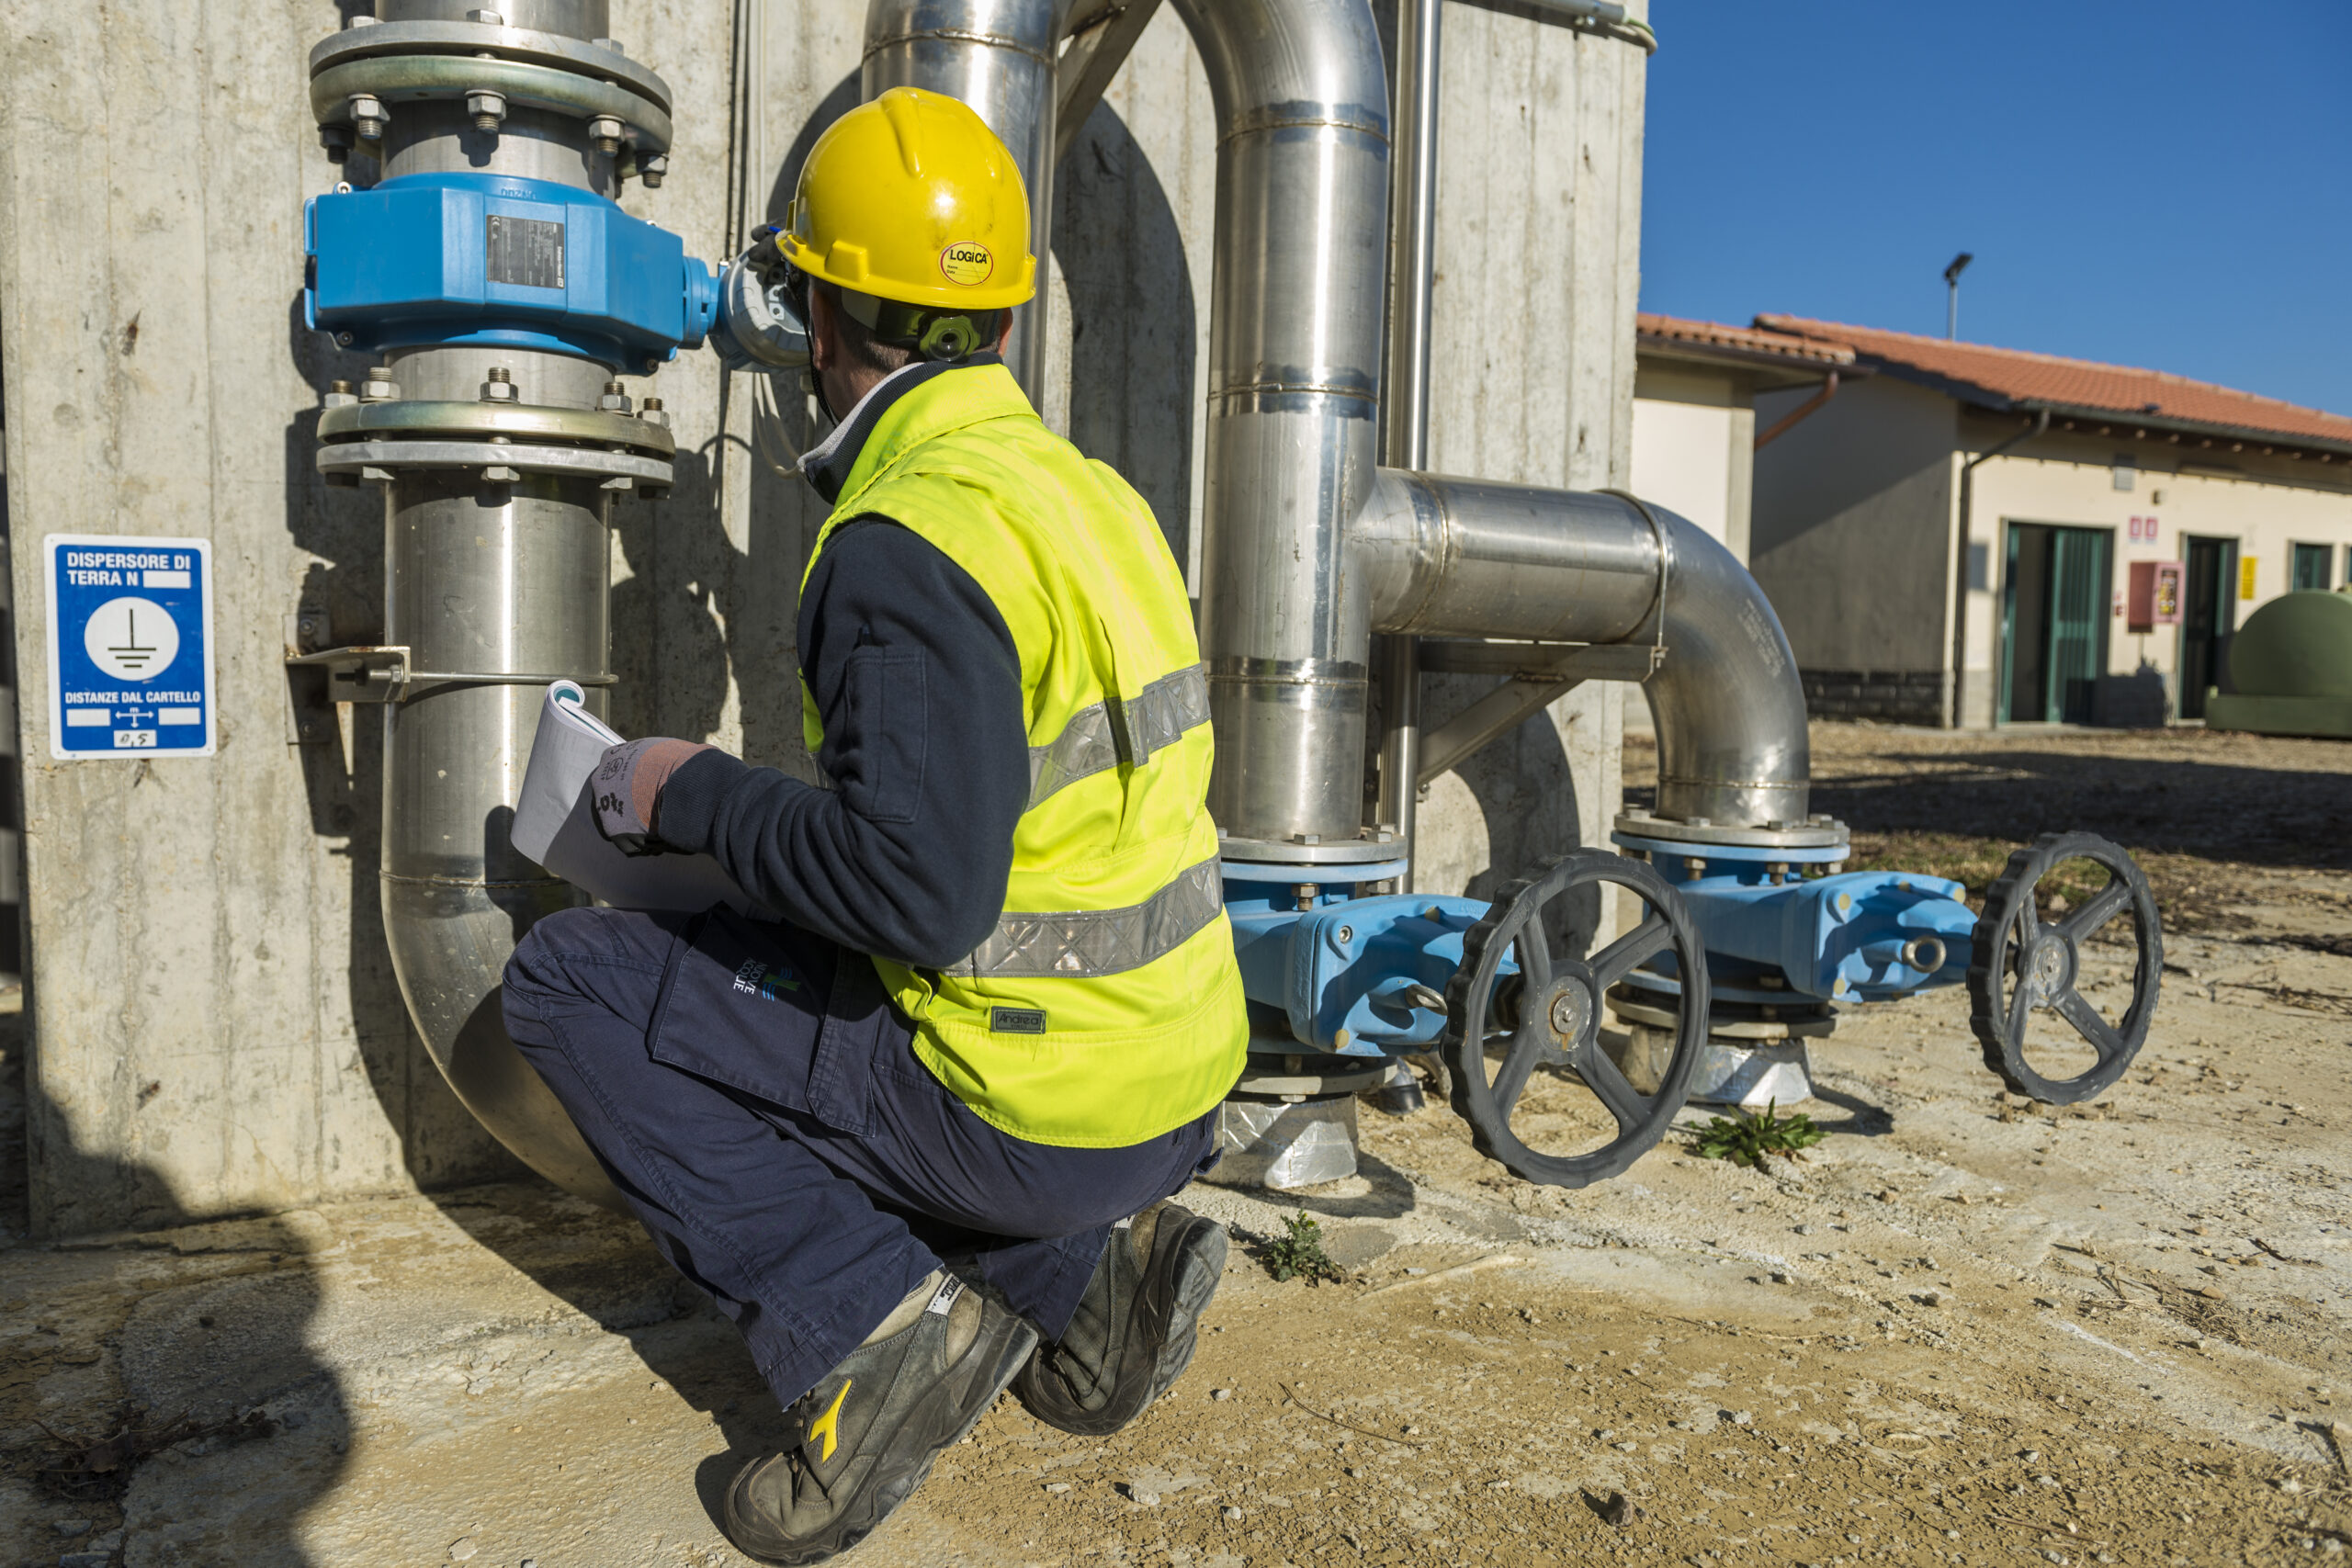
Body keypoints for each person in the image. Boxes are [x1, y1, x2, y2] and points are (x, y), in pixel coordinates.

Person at [499, 85, 1249, 1565]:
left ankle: (870, 1330)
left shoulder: (904, 540)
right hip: (1173, 1080)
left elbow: (918, 891)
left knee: (573, 985)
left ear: (816, 318)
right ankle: (1079, 1290)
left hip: (1034, 1112)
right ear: (1010, 325)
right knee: (788, 983)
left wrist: (679, 791)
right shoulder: (1092, 500)